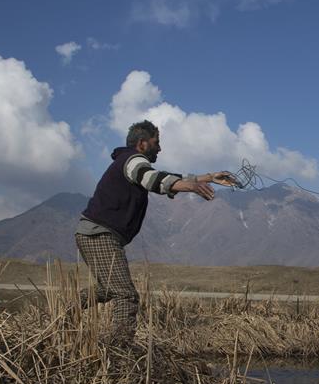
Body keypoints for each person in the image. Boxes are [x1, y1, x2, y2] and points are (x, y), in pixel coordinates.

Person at [75, 120, 236, 346]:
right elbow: (153, 179)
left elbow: (164, 175)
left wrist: (208, 177)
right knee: (126, 295)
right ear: (142, 143)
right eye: (156, 143)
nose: (159, 148)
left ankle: (64, 313)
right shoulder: (133, 160)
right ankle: (119, 351)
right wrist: (189, 186)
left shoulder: (129, 160)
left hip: (94, 232)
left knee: (109, 289)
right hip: (98, 233)